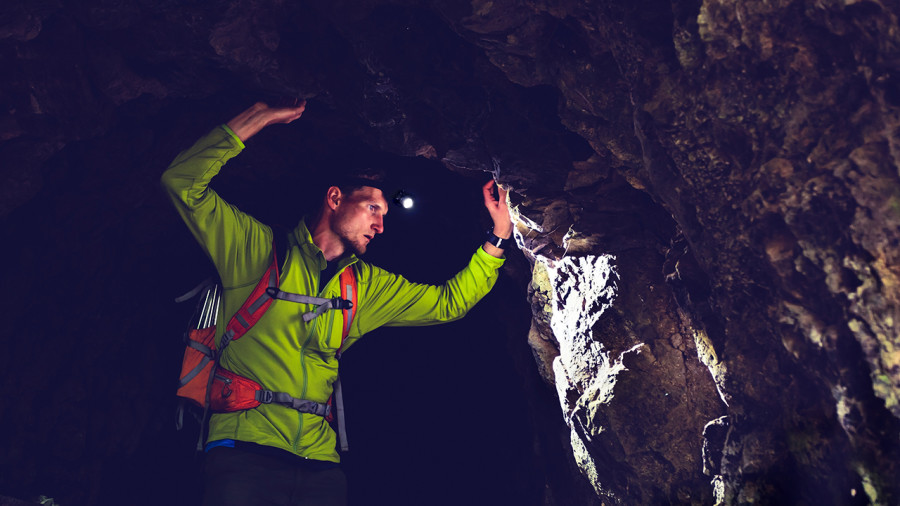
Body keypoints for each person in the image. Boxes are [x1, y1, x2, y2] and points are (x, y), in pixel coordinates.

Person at [161, 100, 513, 506]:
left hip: (320, 467)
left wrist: (499, 236)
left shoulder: (364, 286)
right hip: (243, 455)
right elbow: (181, 182)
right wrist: (258, 117)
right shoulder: (256, 252)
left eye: (385, 214)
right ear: (334, 198)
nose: (381, 225)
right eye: (372, 209)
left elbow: (448, 302)